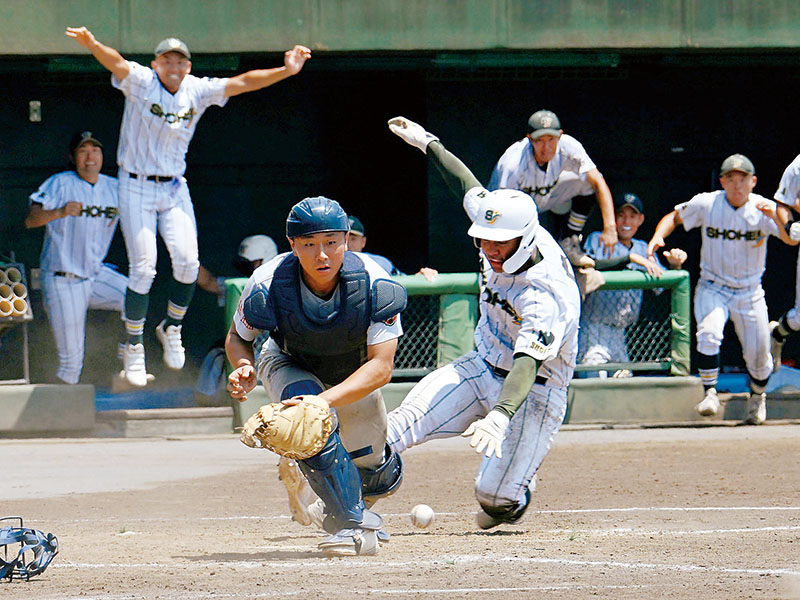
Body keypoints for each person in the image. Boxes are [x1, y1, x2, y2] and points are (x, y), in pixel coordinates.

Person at [65, 26, 311, 388]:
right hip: (135, 183)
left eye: (180, 60)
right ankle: (133, 344)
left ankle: (172, 325)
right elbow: (116, 63)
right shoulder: (142, 81)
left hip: (173, 186)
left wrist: (286, 71)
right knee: (144, 267)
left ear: (189, 66)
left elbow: (243, 82)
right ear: (156, 64)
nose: (174, 66)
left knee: (187, 263)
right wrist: (92, 44)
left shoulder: (197, 89)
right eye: (167, 60)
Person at [382, 116, 580, 530]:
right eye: (483, 238)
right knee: (397, 426)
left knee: (495, 499)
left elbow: (528, 362)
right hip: (481, 365)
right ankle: (346, 499)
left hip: (535, 392)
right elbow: (466, 185)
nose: (489, 247)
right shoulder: (500, 225)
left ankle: (516, 488)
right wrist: (427, 142)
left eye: (499, 241)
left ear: (525, 238)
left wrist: (501, 413)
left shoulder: (547, 292)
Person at [225, 196, 407, 556]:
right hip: (289, 361)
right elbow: (237, 337)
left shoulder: (375, 281)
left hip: (353, 371)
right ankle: (351, 526)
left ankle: (344, 506)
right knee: (309, 423)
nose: (321, 254)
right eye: (308, 244)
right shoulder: (267, 281)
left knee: (378, 476)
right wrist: (243, 365)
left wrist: (322, 401)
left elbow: (381, 366)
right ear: (292, 245)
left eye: (331, 242)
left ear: (346, 240)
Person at [647, 154, 797, 425]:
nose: (737, 185)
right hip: (713, 286)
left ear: (753, 181)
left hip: (749, 291)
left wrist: (775, 218)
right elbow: (674, 217)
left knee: (759, 358)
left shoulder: (763, 207)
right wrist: (659, 235)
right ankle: (710, 393)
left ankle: (757, 397)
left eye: (742, 179)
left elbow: (790, 240)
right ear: (722, 181)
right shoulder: (708, 202)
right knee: (709, 332)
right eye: (731, 178)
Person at [24, 131, 129, 385]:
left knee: (136, 297)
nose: (90, 157)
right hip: (63, 280)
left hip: (95, 274)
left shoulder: (115, 187)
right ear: (73, 157)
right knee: (71, 364)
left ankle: (129, 361)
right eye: (83, 151)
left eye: (95, 150)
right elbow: (30, 220)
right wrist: (59, 211)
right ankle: (58, 409)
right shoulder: (59, 183)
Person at [578, 193, 687, 377]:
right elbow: (592, 265)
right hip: (593, 329)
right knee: (594, 382)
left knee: (625, 383)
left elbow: (662, 287)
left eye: (632, 216)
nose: (626, 221)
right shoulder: (597, 239)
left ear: (640, 219)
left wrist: (675, 266)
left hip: (621, 334)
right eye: (621, 215)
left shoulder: (643, 248)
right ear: (612, 218)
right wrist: (630, 259)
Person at [489, 109, 618, 262]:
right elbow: (500, 210)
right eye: (540, 140)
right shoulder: (513, 164)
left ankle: (569, 240)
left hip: (545, 196)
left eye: (551, 139)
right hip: (503, 212)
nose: (546, 147)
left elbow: (598, 182)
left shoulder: (568, 146)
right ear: (530, 139)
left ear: (560, 136)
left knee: (586, 182)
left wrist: (610, 227)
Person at [768, 155, 800, 371]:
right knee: (799, 318)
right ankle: (777, 333)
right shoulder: (798, 166)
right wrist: (789, 226)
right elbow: (783, 202)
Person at [347, 215, 438, 282]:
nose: (348, 244)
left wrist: (419, 277)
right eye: (344, 239)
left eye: (353, 239)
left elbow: (404, 282)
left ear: (363, 242)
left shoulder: (380, 263)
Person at [197, 234, 279, 306]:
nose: (246, 268)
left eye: (251, 263)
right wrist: (191, 262)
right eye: (244, 264)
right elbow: (209, 282)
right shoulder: (240, 286)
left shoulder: (281, 287)